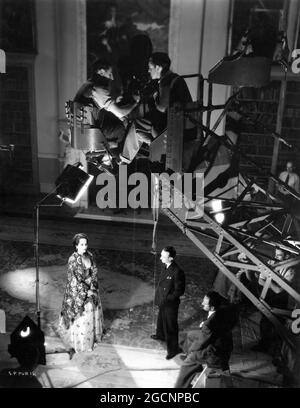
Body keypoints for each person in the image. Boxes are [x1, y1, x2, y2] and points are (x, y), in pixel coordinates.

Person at [119, 52, 194, 164]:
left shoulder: (166, 80)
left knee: (135, 126)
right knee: (142, 127)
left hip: (172, 129)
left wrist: (154, 98)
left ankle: (124, 160)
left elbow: (162, 108)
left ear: (158, 67)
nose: (149, 71)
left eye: (150, 68)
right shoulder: (176, 78)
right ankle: (152, 145)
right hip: (181, 126)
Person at [73, 58, 140, 172]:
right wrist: (135, 102)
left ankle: (108, 155)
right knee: (122, 129)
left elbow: (103, 107)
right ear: (101, 72)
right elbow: (120, 112)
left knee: (117, 124)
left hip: (82, 134)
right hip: (91, 135)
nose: (112, 78)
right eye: (110, 74)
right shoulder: (97, 88)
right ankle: (110, 158)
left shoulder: (88, 85)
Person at [175, 291, 237, 388]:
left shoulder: (209, 324)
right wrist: (205, 324)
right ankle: (190, 356)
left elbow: (202, 343)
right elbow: (210, 331)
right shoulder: (223, 311)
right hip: (224, 345)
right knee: (189, 335)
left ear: (212, 307)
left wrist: (192, 352)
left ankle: (180, 387)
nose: (202, 304)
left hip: (215, 353)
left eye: (205, 303)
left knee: (186, 364)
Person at [58, 233, 104, 353]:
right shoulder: (73, 260)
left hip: (91, 290)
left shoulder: (90, 255)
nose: (84, 247)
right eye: (81, 244)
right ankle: (81, 344)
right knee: (82, 318)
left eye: (86, 244)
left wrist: (93, 287)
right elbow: (74, 281)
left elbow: (94, 271)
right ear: (76, 246)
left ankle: (91, 340)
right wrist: (87, 292)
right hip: (79, 294)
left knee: (91, 313)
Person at [252, 247, 295, 355]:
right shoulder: (271, 263)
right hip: (269, 296)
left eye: (279, 255)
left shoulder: (290, 270)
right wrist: (269, 282)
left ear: (287, 256)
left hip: (282, 300)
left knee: (277, 323)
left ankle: (276, 350)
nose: (275, 257)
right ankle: (264, 345)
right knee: (265, 321)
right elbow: (260, 282)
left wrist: (268, 279)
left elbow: (279, 290)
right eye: (275, 254)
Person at [151, 246, 185, 360]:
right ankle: (160, 335)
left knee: (171, 327)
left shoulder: (177, 272)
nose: (160, 258)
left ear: (170, 258)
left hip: (170, 303)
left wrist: (167, 298)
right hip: (162, 299)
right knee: (161, 318)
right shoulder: (165, 265)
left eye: (163, 256)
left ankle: (173, 350)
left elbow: (179, 291)